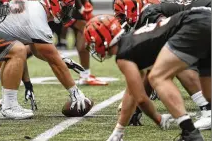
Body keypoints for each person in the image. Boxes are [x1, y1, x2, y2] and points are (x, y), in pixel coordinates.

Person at [85, 8, 210, 140]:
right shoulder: (131, 44)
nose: (93, 47)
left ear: (103, 39)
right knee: (208, 95)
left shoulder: (124, 54)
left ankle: (189, 132)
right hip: (203, 18)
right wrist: (119, 130)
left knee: (157, 77)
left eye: (92, 42)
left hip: (193, 23)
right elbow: (131, 93)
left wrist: (158, 119)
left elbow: (141, 99)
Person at [0, 0, 92, 120]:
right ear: (54, 3)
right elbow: (53, 61)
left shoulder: (34, 10)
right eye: (65, 7)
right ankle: (8, 106)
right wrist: (75, 93)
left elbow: (38, 50)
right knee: (18, 50)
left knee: (14, 51)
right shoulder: (38, 19)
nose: (67, 12)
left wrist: (61, 59)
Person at [114, 0, 211, 130]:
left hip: (205, 20)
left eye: (122, 16)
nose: (122, 21)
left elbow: (168, 43)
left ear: (133, 8)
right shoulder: (159, 10)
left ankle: (207, 111)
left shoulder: (149, 14)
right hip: (205, 19)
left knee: (178, 62)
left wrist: (135, 106)